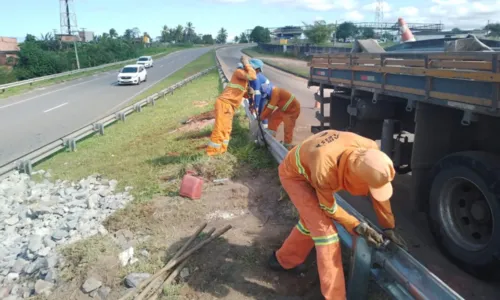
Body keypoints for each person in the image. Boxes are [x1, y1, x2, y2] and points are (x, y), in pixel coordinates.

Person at [268, 129, 404, 300]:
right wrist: (356, 225)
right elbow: (329, 208)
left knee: (310, 222)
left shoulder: (370, 150)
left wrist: (388, 226)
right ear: (354, 176)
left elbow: (378, 188)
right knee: (326, 233)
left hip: (312, 161)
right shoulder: (325, 171)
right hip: (295, 176)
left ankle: (283, 260)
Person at [206, 56, 257, 156]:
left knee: (227, 129)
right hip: (225, 103)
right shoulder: (238, 72)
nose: (253, 71)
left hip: (230, 106)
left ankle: (221, 151)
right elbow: (252, 76)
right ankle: (212, 153)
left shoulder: (244, 81)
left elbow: (239, 93)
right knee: (220, 129)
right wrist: (247, 64)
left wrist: (248, 93)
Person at [259, 82, 301, 150]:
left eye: (266, 95)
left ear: (268, 91)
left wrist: (261, 118)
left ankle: (287, 146)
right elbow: (267, 105)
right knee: (273, 118)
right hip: (283, 109)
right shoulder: (271, 94)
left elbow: (270, 108)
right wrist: (261, 116)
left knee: (288, 128)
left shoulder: (275, 92)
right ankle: (271, 136)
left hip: (292, 110)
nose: (266, 97)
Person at [248, 59, 271, 129]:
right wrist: (251, 104)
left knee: (262, 112)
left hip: (265, 95)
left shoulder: (256, 78)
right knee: (259, 112)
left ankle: (265, 130)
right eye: (258, 70)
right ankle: (261, 128)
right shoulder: (250, 77)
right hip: (261, 94)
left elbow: (257, 94)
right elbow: (250, 92)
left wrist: (255, 106)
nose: (259, 72)